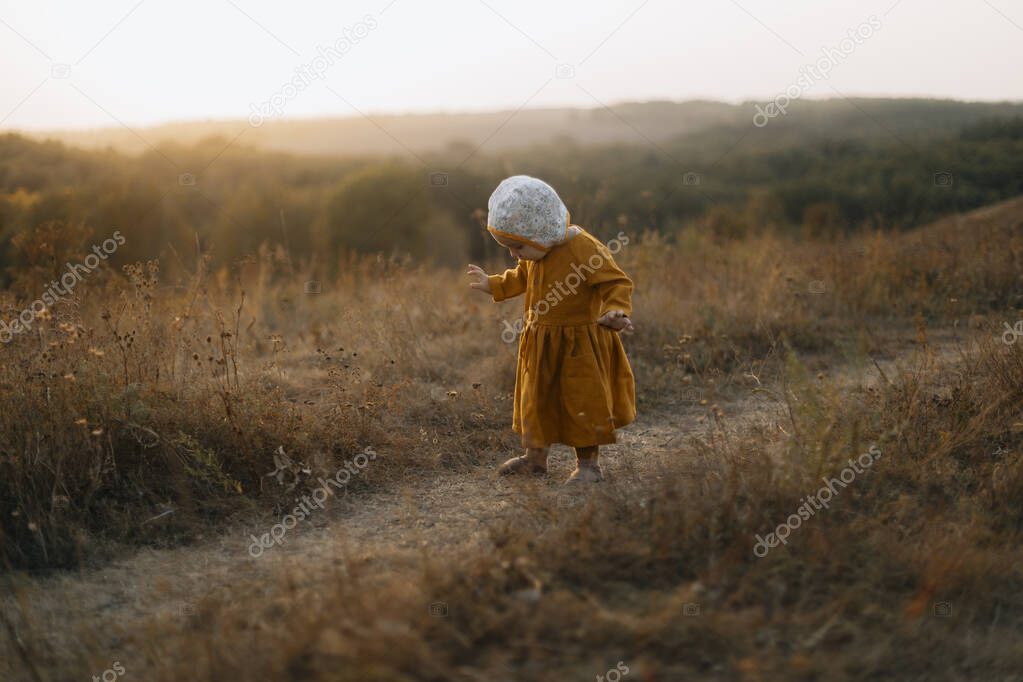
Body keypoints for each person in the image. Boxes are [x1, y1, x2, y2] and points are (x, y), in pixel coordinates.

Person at [466, 175, 636, 484]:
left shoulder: (582, 247)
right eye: (509, 247)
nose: (514, 254)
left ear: (541, 230)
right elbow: (520, 276)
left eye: (517, 246)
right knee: (536, 401)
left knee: (581, 401)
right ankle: (535, 460)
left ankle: (588, 466)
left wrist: (616, 310)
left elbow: (615, 281)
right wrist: (492, 284)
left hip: (577, 344)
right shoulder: (536, 249)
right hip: (540, 342)